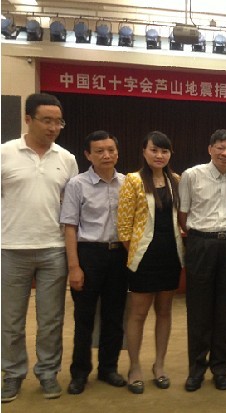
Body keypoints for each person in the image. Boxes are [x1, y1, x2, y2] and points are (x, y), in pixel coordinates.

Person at [1, 93, 78, 402]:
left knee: (50, 320)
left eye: (58, 122)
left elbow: (72, 208)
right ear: (28, 119)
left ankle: (47, 373)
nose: (53, 127)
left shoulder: (66, 159)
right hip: (11, 248)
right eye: (47, 120)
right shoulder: (5, 153)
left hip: (53, 249)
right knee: (10, 320)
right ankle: (12, 374)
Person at [60, 131, 128, 395]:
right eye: (99, 151)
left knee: (114, 316)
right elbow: (69, 226)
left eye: (111, 150)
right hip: (89, 255)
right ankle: (79, 373)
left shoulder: (128, 183)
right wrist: (74, 267)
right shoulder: (77, 184)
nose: (106, 155)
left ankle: (108, 368)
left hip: (119, 256)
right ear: (88, 155)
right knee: (84, 318)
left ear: (117, 153)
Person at [117, 131, 185, 394]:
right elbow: (124, 228)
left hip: (171, 256)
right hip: (143, 259)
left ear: (170, 154)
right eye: (154, 150)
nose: (159, 155)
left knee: (165, 312)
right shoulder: (133, 180)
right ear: (144, 151)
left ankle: (160, 365)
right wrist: (137, 254)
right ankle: (134, 367)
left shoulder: (176, 180)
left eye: (164, 151)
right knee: (138, 314)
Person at [178, 129, 226, 392]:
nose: (225, 153)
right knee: (198, 311)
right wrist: (200, 237)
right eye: (220, 147)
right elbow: (183, 215)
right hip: (201, 244)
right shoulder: (192, 175)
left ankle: (220, 369)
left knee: (223, 311)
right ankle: (196, 370)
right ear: (210, 149)